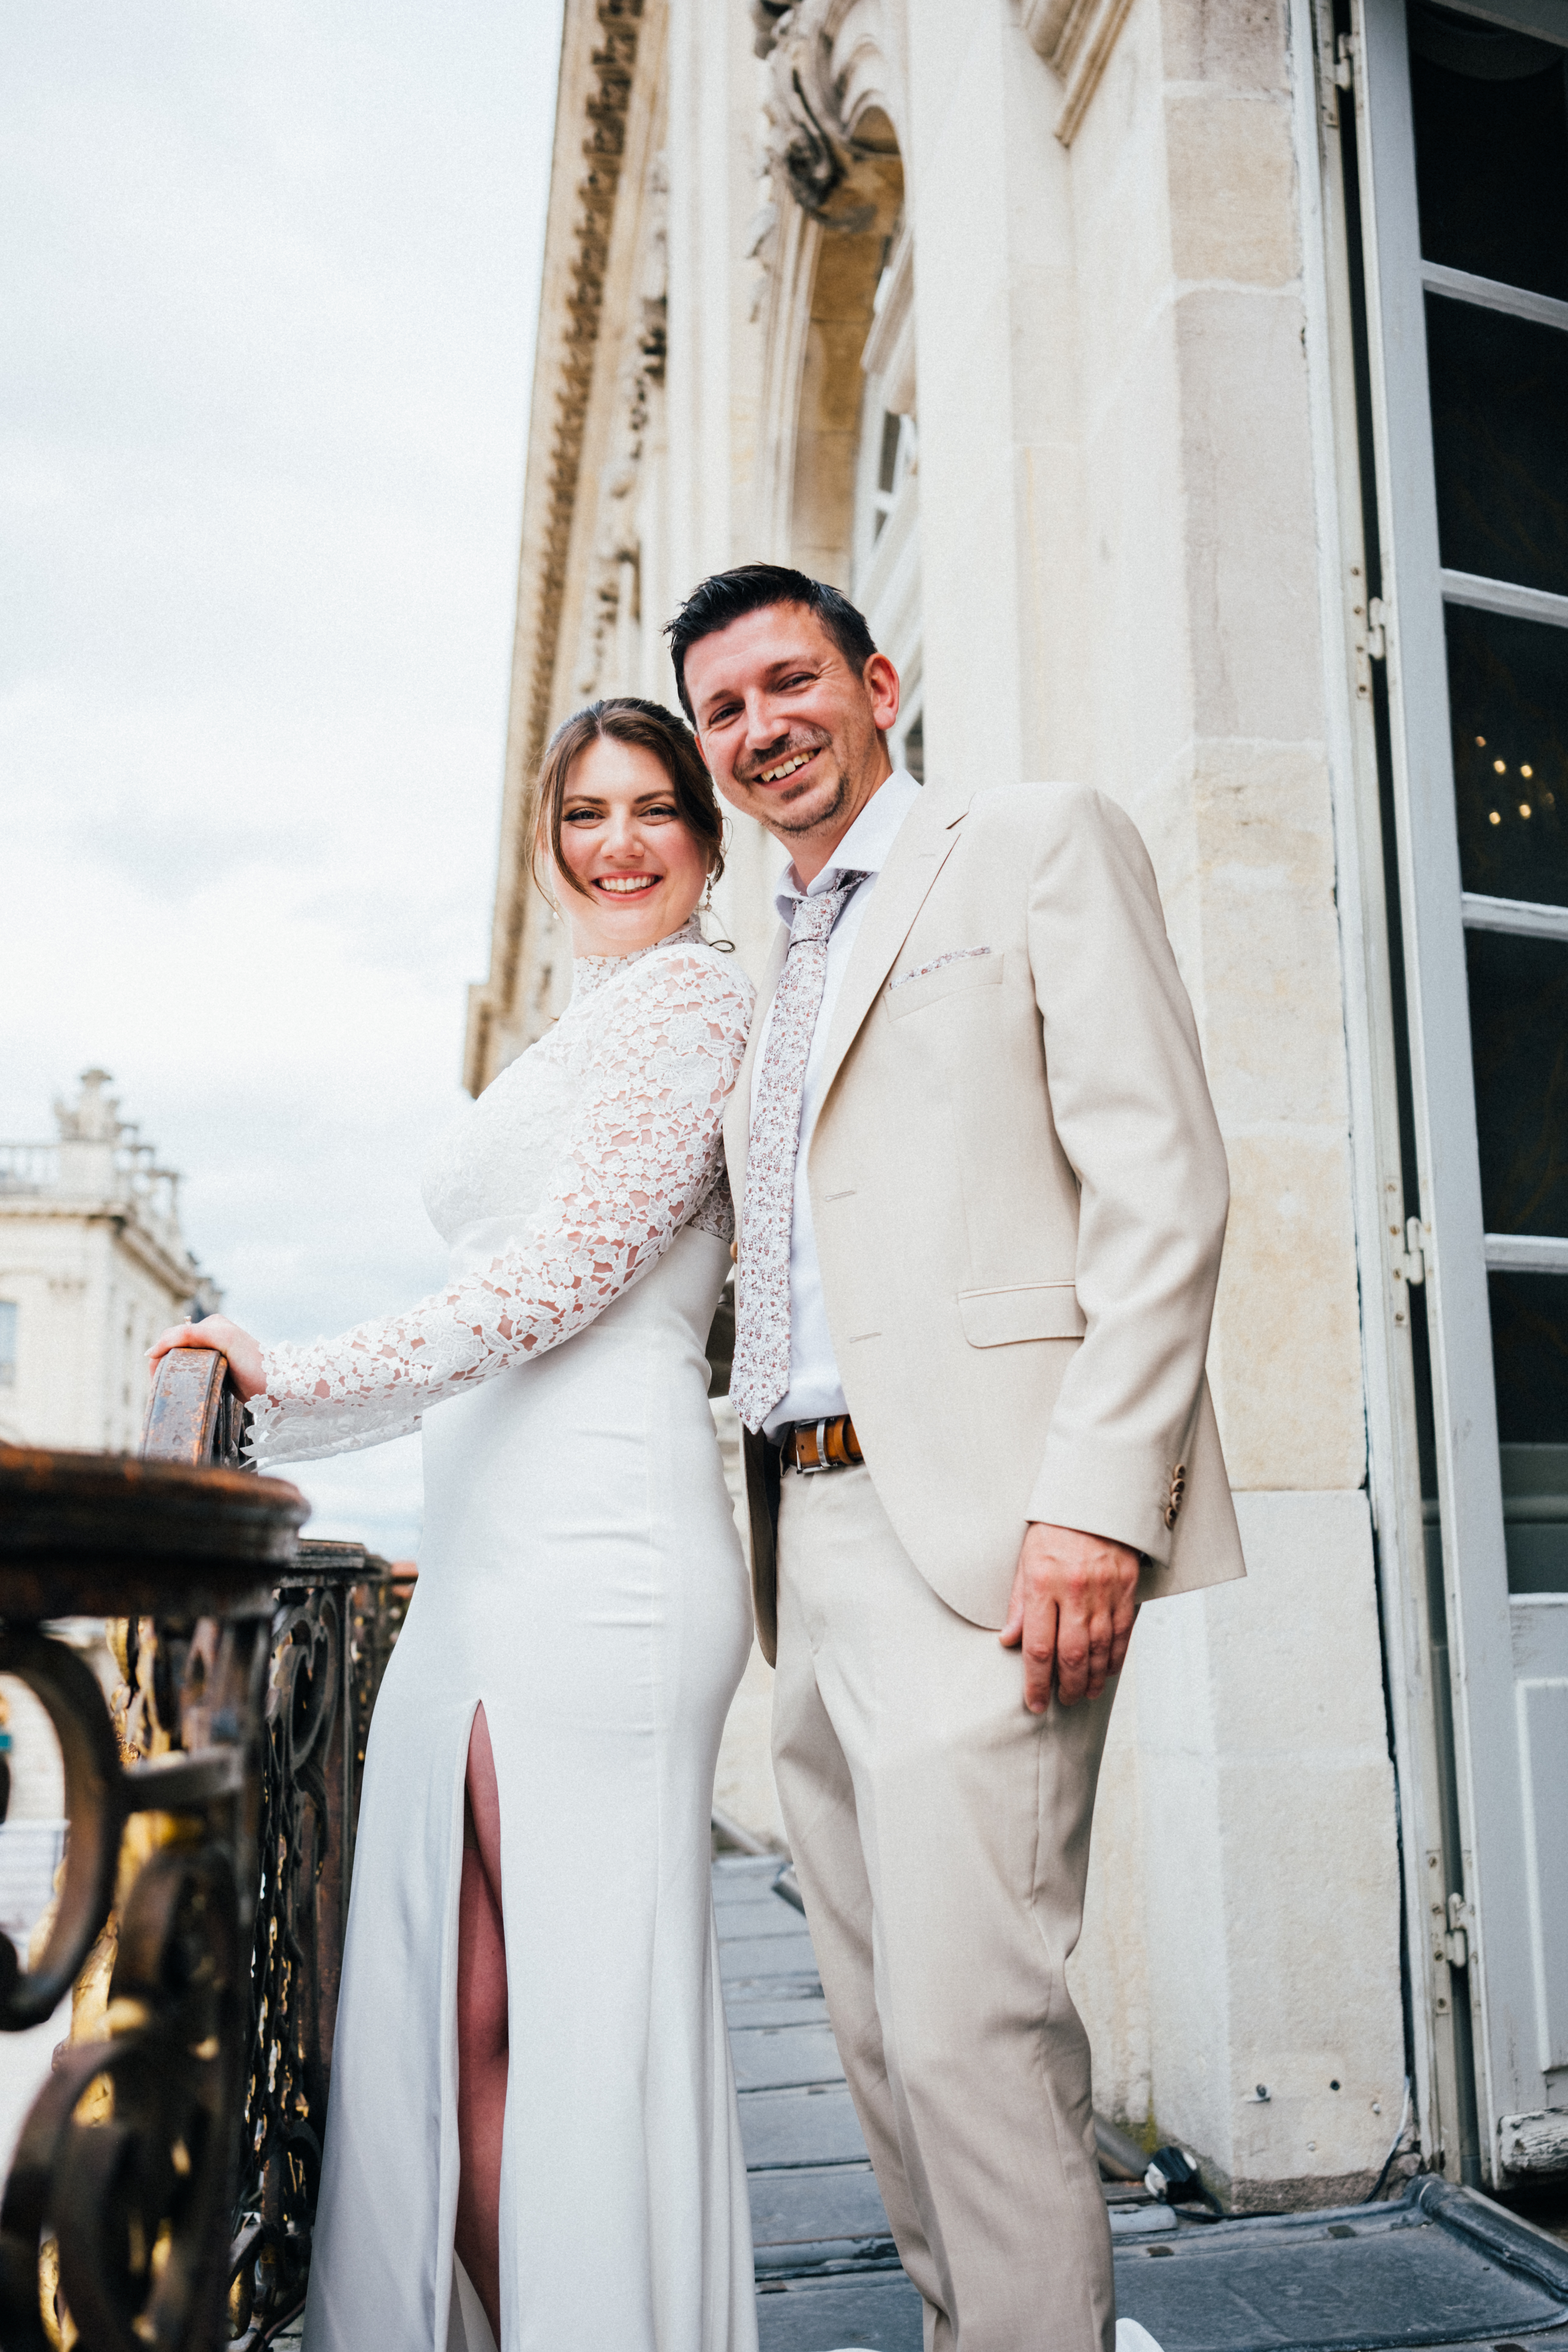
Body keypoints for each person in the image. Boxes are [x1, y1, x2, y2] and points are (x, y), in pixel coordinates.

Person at [669, 564, 1247, 2352]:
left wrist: (1097, 1504)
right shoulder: (760, 966)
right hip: (802, 1539)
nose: (763, 730)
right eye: (725, 712)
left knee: (970, 2035)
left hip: (995, 1532)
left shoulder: (1030, 845)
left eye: (790, 683)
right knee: (873, 2038)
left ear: (878, 680)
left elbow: (1166, 1189)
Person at [150, 699, 760, 2352]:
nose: (618, 842)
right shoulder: (591, 1029)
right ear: (547, 842)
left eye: (653, 810)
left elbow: (552, 1291)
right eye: (584, 814)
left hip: (602, 1557)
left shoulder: (697, 1005)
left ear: (707, 845)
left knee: (553, 2024)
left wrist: (281, 1385)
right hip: (495, 1553)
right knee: (463, 2007)